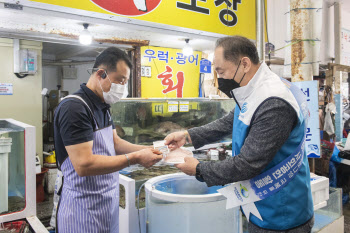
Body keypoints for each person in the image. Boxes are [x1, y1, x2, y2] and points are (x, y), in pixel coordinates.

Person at [165, 36, 314, 233]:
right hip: (259, 201)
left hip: (281, 212)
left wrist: (200, 169)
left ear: (244, 64)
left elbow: (249, 163)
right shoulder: (253, 90)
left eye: (221, 71)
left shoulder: (273, 101)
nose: (220, 79)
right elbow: (230, 121)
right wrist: (188, 136)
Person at [54, 47, 163, 233]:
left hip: (106, 205)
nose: (122, 87)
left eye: (125, 82)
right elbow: (84, 165)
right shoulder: (74, 108)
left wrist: (152, 148)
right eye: (120, 80)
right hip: (81, 211)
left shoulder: (103, 105)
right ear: (101, 73)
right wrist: (135, 158)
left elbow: (116, 143)